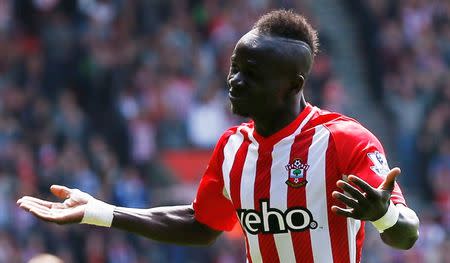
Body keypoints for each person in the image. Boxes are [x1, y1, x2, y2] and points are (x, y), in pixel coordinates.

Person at [17, 9, 419, 263]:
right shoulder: (232, 148)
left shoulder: (344, 140)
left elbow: (407, 232)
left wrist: (382, 214)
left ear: (293, 86)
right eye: (235, 67)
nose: (234, 81)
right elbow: (201, 224)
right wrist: (97, 211)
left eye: (252, 75)